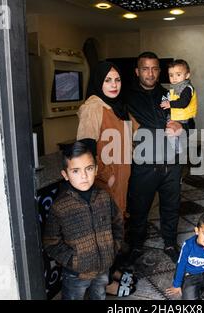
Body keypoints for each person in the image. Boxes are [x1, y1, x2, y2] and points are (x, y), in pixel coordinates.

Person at [76, 61, 138, 296]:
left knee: (114, 231)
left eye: (117, 79)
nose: (114, 85)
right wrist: (105, 176)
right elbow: (86, 147)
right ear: (98, 82)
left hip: (121, 181)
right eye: (108, 80)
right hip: (105, 183)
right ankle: (104, 284)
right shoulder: (94, 107)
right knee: (103, 235)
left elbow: (135, 132)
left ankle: (111, 272)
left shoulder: (117, 107)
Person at [42, 141, 125, 300]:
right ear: (65, 175)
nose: (84, 176)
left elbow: (117, 224)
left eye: (89, 169)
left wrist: (113, 247)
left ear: (96, 169)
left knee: (99, 295)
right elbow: (51, 242)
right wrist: (73, 260)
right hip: (76, 274)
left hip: (103, 268)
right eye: (75, 171)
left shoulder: (104, 197)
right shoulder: (60, 207)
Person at [125, 51, 185, 264]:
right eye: (145, 68)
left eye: (154, 68)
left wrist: (182, 125)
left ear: (159, 71)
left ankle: (170, 242)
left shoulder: (171, 95)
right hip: (144, 162)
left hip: (171, 162)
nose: (150, 73)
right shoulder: (126, 97)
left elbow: (189, 120)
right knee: (139, 207)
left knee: (171, 204)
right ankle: (136, 246)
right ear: (137, 71)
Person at [166, 212, 204, 300]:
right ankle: (202, 292)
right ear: (197, 231)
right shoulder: (188, 245)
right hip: (192, 276)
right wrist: (177, 285)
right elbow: (181, 264)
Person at [160, 59, 197, 131]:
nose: (174, 78)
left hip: (185, 121)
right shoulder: (174, 88)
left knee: (181, 139)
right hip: (177, 118)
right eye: (171, 75)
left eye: (178, 74)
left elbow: (183, 102)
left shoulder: (187, 88)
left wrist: (169, 104)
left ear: (187, 75)